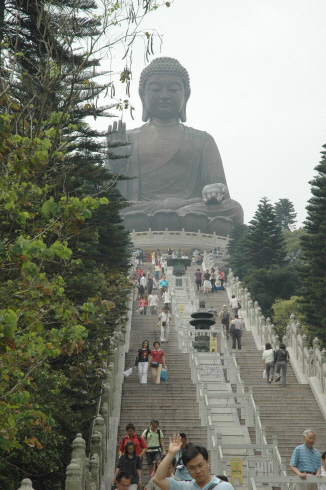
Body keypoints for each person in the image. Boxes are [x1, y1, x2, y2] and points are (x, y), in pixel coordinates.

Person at [107, 57, 243, 236]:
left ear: (186, 95)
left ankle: (176, 216)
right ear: (142, 95)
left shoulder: (202, 140)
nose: (164, 96)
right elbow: (109, 196)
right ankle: (175, 216)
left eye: (173, 90)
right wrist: (117, 163)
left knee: (234, 209)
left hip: (189, 210)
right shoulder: (127, 138)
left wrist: (215, 190)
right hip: (141, 211)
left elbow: (221, 195)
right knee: (109, 211)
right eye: (155, 89)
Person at [152, 434, 234, 490]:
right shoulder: (184, 487)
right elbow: (158, 479)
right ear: (187, 468)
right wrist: (171, 453)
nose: (198, 471)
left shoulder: (225, 487)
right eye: (192, 468)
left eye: (200, 465)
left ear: (207, 462)